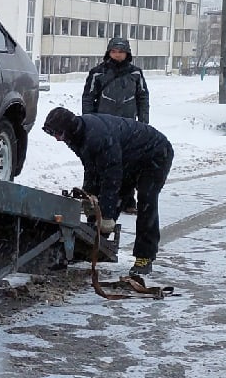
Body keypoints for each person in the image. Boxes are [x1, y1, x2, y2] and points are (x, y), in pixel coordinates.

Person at [43, 106, 174, 279]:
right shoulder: (76, 136)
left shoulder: (98, 137)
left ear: (69, 128)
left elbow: (111, 178)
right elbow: (91, 169)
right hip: (127, 157)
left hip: (155, 154)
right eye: (53, 135)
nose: (57, 139)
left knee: (146, 200)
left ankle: (145, 256)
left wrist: (106, 216)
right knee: (103, 202)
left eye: (58, 134)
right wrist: (89, 197)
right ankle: (93, 246)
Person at [81, 36, 149, 212]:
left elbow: (143, 98)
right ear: (109, 52)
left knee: (128, 163)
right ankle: (90, 197)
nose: (117, 55)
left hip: (128, 127)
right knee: (95, 162)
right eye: (114, 51)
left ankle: (127, 200)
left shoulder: (136, 73)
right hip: (102, 126)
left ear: (127, 53)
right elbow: (88, 97)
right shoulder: (97, 73)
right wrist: (88, 121)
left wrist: (144, 123)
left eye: (121, 52)